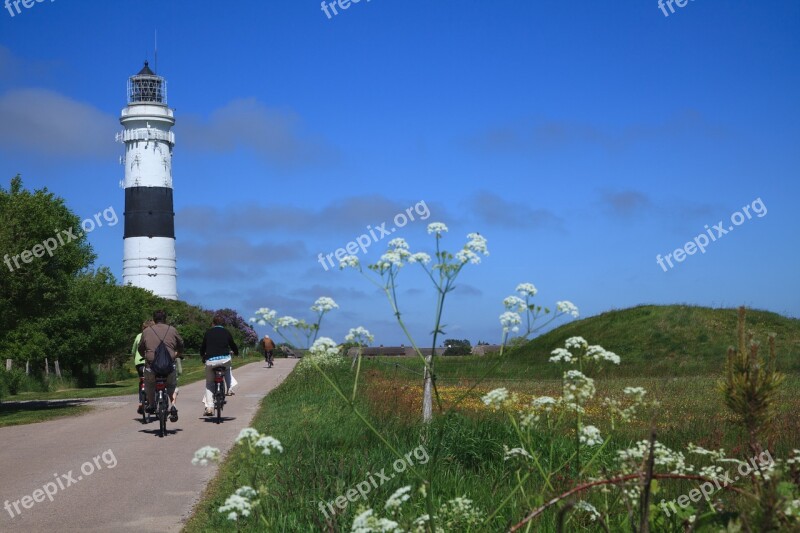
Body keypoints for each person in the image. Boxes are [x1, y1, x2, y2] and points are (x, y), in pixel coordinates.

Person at [138, 310, 183, 423]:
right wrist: (177, 353)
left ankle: (152, 404)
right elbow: (181, 344)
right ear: (165, 319)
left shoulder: (147, 331)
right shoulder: (172, 330)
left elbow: (140, 347)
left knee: (149, 384)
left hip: (151, 365)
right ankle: (173, 406)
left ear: (154, 320)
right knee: (172, 385)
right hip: (168, 365)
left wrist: (146, 355)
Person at [200, 314, 239, 416]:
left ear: (213, 323)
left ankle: (209, 407)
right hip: (224, 360)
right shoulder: (226, 332)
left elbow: (203, 347)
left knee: (209, 383)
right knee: (228, 369)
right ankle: (229, 387)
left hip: (211, 361)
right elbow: (232, 344)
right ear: (223, 324)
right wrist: (236, 352)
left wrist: (202, 356)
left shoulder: (208, 332)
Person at [132, 319, 155, 415]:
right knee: (152, 381)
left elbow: (133, 350)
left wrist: (135, 358)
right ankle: (151, 401)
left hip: (139, 362)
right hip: (149, 361)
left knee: (142, 381)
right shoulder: (153, 336)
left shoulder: (138, 336)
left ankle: (141, 401)